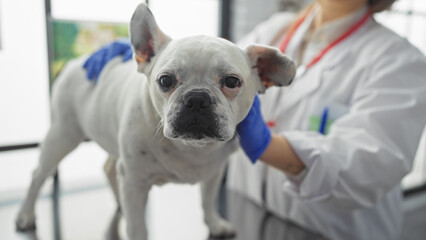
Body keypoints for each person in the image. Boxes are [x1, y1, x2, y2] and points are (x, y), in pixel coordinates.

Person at [82, 0, 426, 239]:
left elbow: (372, 164)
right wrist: (145, 57)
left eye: (232, 82)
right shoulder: (278, 29)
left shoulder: (399, 61)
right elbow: (204, 60)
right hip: (247, 215)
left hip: (332, 229)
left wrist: (265, 145)